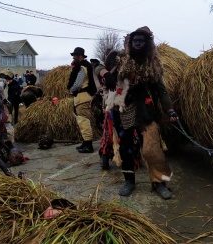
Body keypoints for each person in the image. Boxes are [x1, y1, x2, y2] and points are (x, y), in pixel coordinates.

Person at [97, 26, 179, 200]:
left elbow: (161, 89)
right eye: (135, 41)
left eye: (142, 41)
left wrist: (170, 110)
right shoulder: (120, 58)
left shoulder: (153, 64)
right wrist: (107, 74)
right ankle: (129, 181)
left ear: (148, 43)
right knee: (126, 148)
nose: (138, 44)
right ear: (130, 42)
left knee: (152, 147)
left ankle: (160, 183)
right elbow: (98, 67)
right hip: (124, 107)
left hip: (146, 108)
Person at [67, 47, 97, 153]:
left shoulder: (82, 67)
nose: (74, 57)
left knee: (83, 120)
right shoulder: (84, 65)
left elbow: (79, 82)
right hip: (83, 96)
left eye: (75, 55)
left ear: (80, 56)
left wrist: (71, 90)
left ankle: (88, 145)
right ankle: (85, 143)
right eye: (73, 55)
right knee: (82, 120)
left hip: (82, 97)